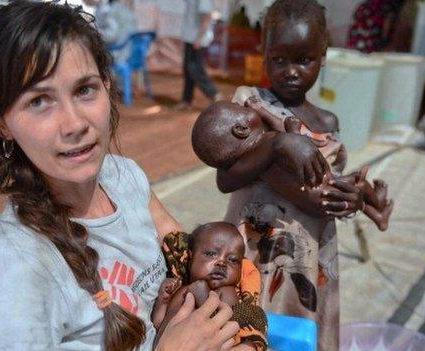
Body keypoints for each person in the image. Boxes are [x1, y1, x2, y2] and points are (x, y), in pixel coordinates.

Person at [0, 2, 239, 350]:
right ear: (2, 122)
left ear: (107, 85)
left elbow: (185, 253)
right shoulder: (14, 266)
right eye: (39, 101)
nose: (75, 124)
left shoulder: (125, 178)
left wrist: (233, 258)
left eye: (84, 90)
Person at [215, 0, 385, 349]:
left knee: (298, 336)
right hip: (255, 253)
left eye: (304, 59)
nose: (291, 71)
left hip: (306, 260)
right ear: (263, 55)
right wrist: (278, 145)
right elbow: (226, 178)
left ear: (323, 56)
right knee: (247, 331)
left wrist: (356, 197)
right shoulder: (250, 107)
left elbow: (327, 188)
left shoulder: (328, 124)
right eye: (279, 60)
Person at [192, 101, 393, 231]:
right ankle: (377, 204)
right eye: (244, 109)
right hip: (322, 191)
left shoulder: (255, 155)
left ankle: (377, 213)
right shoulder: (267, 146)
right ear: (242, 129)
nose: (248, 107)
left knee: (356, 186)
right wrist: (290, 130)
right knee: (358, 181)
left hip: (320, 195)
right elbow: (293, 143)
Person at [153, 222, 267, 350]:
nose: (222, 263)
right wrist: (162, 302)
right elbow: (159, 325)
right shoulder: (179, 288)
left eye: (233, 260)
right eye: (211, 254)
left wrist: (203, 298)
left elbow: (228, 329)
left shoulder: (226, 292)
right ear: (191, 256)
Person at [174, 0, 223, 110]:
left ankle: (214, 94)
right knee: (188, 69)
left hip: (197, 39)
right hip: (190, 37)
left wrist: (199, 39)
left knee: (195, 68)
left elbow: (206, 17)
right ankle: (186, 100)